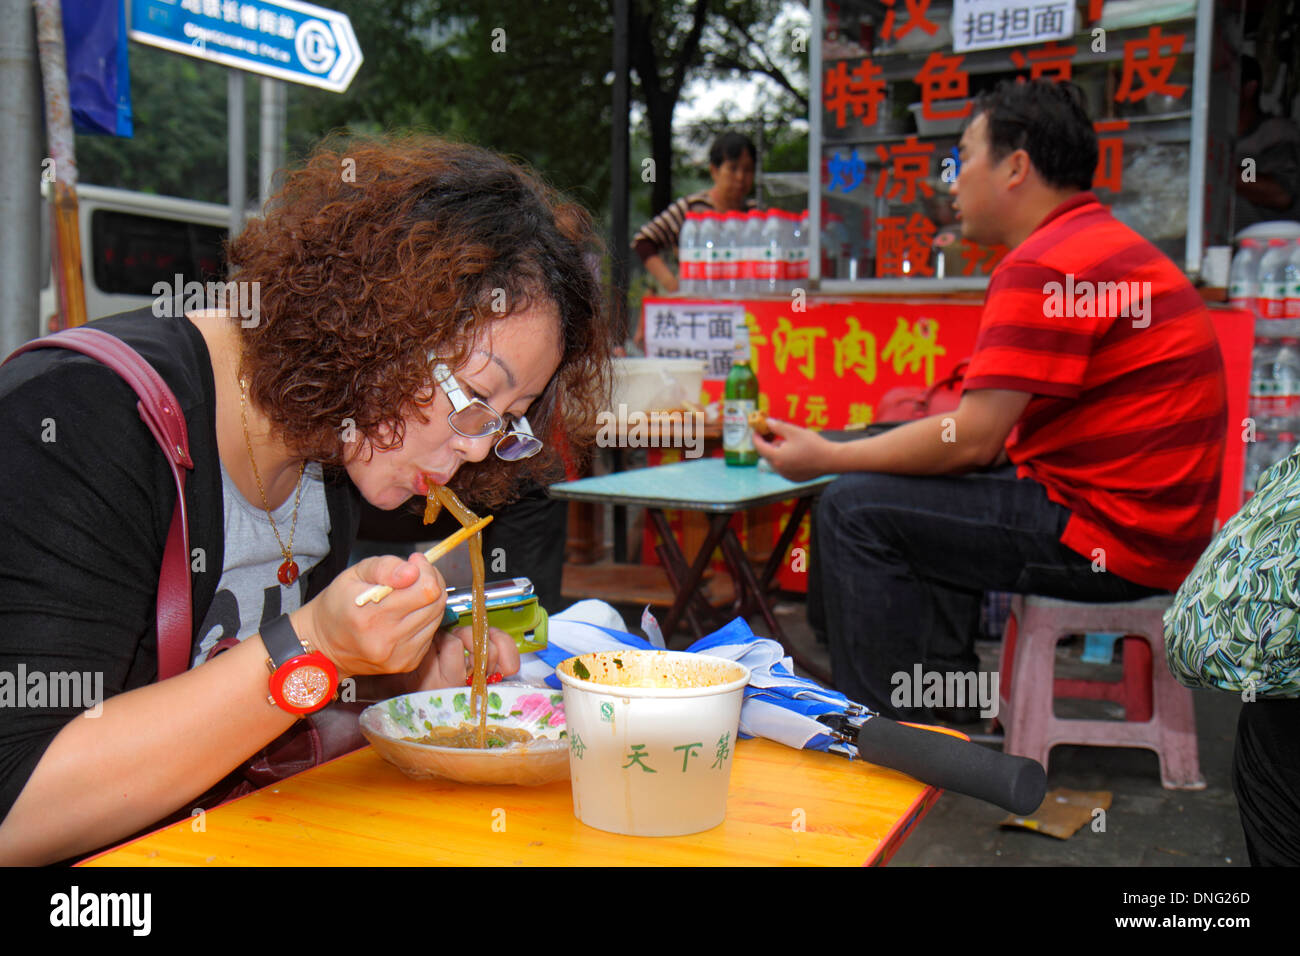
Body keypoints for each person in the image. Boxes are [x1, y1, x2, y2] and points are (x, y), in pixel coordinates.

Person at [0, 135, 613, 864]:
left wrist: (402, 678)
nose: (481, 448)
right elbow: (19, 811)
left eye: (509, 420)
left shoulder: (333, 446)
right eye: (478, 397)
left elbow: (242, 712)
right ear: (382, 318)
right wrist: (312, 647)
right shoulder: (82, 418)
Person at [754, 79, 1228, 722]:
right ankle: (946, 709)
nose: (952, 180)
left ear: (1015, 166)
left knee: (853, 507)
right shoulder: (1102, 244)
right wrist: (845, 444)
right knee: (893, 472)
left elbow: (973, 439)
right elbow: (981, 434)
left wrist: (825, 457)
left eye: (964, 156)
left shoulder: (1046, 262)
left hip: (1114, 536)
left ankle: (876, 742)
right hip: (1151, 529)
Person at [632, 131, 756, 293]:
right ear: (714, 171)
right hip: (694, 305)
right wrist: (671, 284)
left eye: (747, 170)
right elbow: (643, 241)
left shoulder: (755, 213)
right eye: (733, 168)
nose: (740, 177)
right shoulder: (691, 207)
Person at [1233, 55, 1300, 233]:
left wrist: (1216, 173)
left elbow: (1281, 194)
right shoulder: (1218, 138)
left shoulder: (1275, 132)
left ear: (1249, 89)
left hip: (1273, 252)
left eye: (1225, 86)